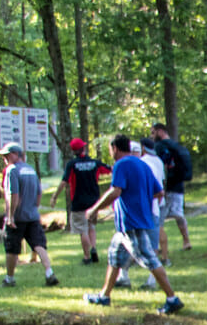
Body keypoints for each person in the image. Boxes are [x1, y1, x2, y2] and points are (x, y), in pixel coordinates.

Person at [79, 134, 182, 313]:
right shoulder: (142, 164)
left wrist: (94, 209)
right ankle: (104, 296)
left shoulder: (121, 164)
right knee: (115, 256)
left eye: (110, 150)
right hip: (129, 224)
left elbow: (115, 191)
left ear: (115, 148)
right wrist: (138, 199)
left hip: (132, 223)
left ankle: (172, 298)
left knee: (149, 258)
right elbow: (159, 192)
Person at [0, 144, 58, 288]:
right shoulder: (31, 170)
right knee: (39, 244)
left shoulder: (12, 170)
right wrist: (33, 209)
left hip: (18, 217)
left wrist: (10, 216)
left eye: (7, 155)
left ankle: (9, 278)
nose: (5, 159)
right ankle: (49, 272)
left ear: (15, 154)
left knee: (12, 248)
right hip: (32, 215)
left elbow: (14, 195)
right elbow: (39, 194)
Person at [56, 138, 110, 264]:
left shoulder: (72, 164)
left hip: (79, 202)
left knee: (82, 230)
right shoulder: (95, 163)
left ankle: (86, 257)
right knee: (91, 226)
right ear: (83, 148)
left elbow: (64, 181)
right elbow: (110, 169)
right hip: (94, 202)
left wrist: (55, 196)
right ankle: (94, 249)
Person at [149, 122, 193, 256]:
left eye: (153, 132)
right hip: (178, 185)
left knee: (158, 217)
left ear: (160, 131)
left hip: (165, 187)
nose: (151, 136)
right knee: (178, 213)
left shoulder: (159, 147)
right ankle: (186, 240)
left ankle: (158, 247)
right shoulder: (177, 146)